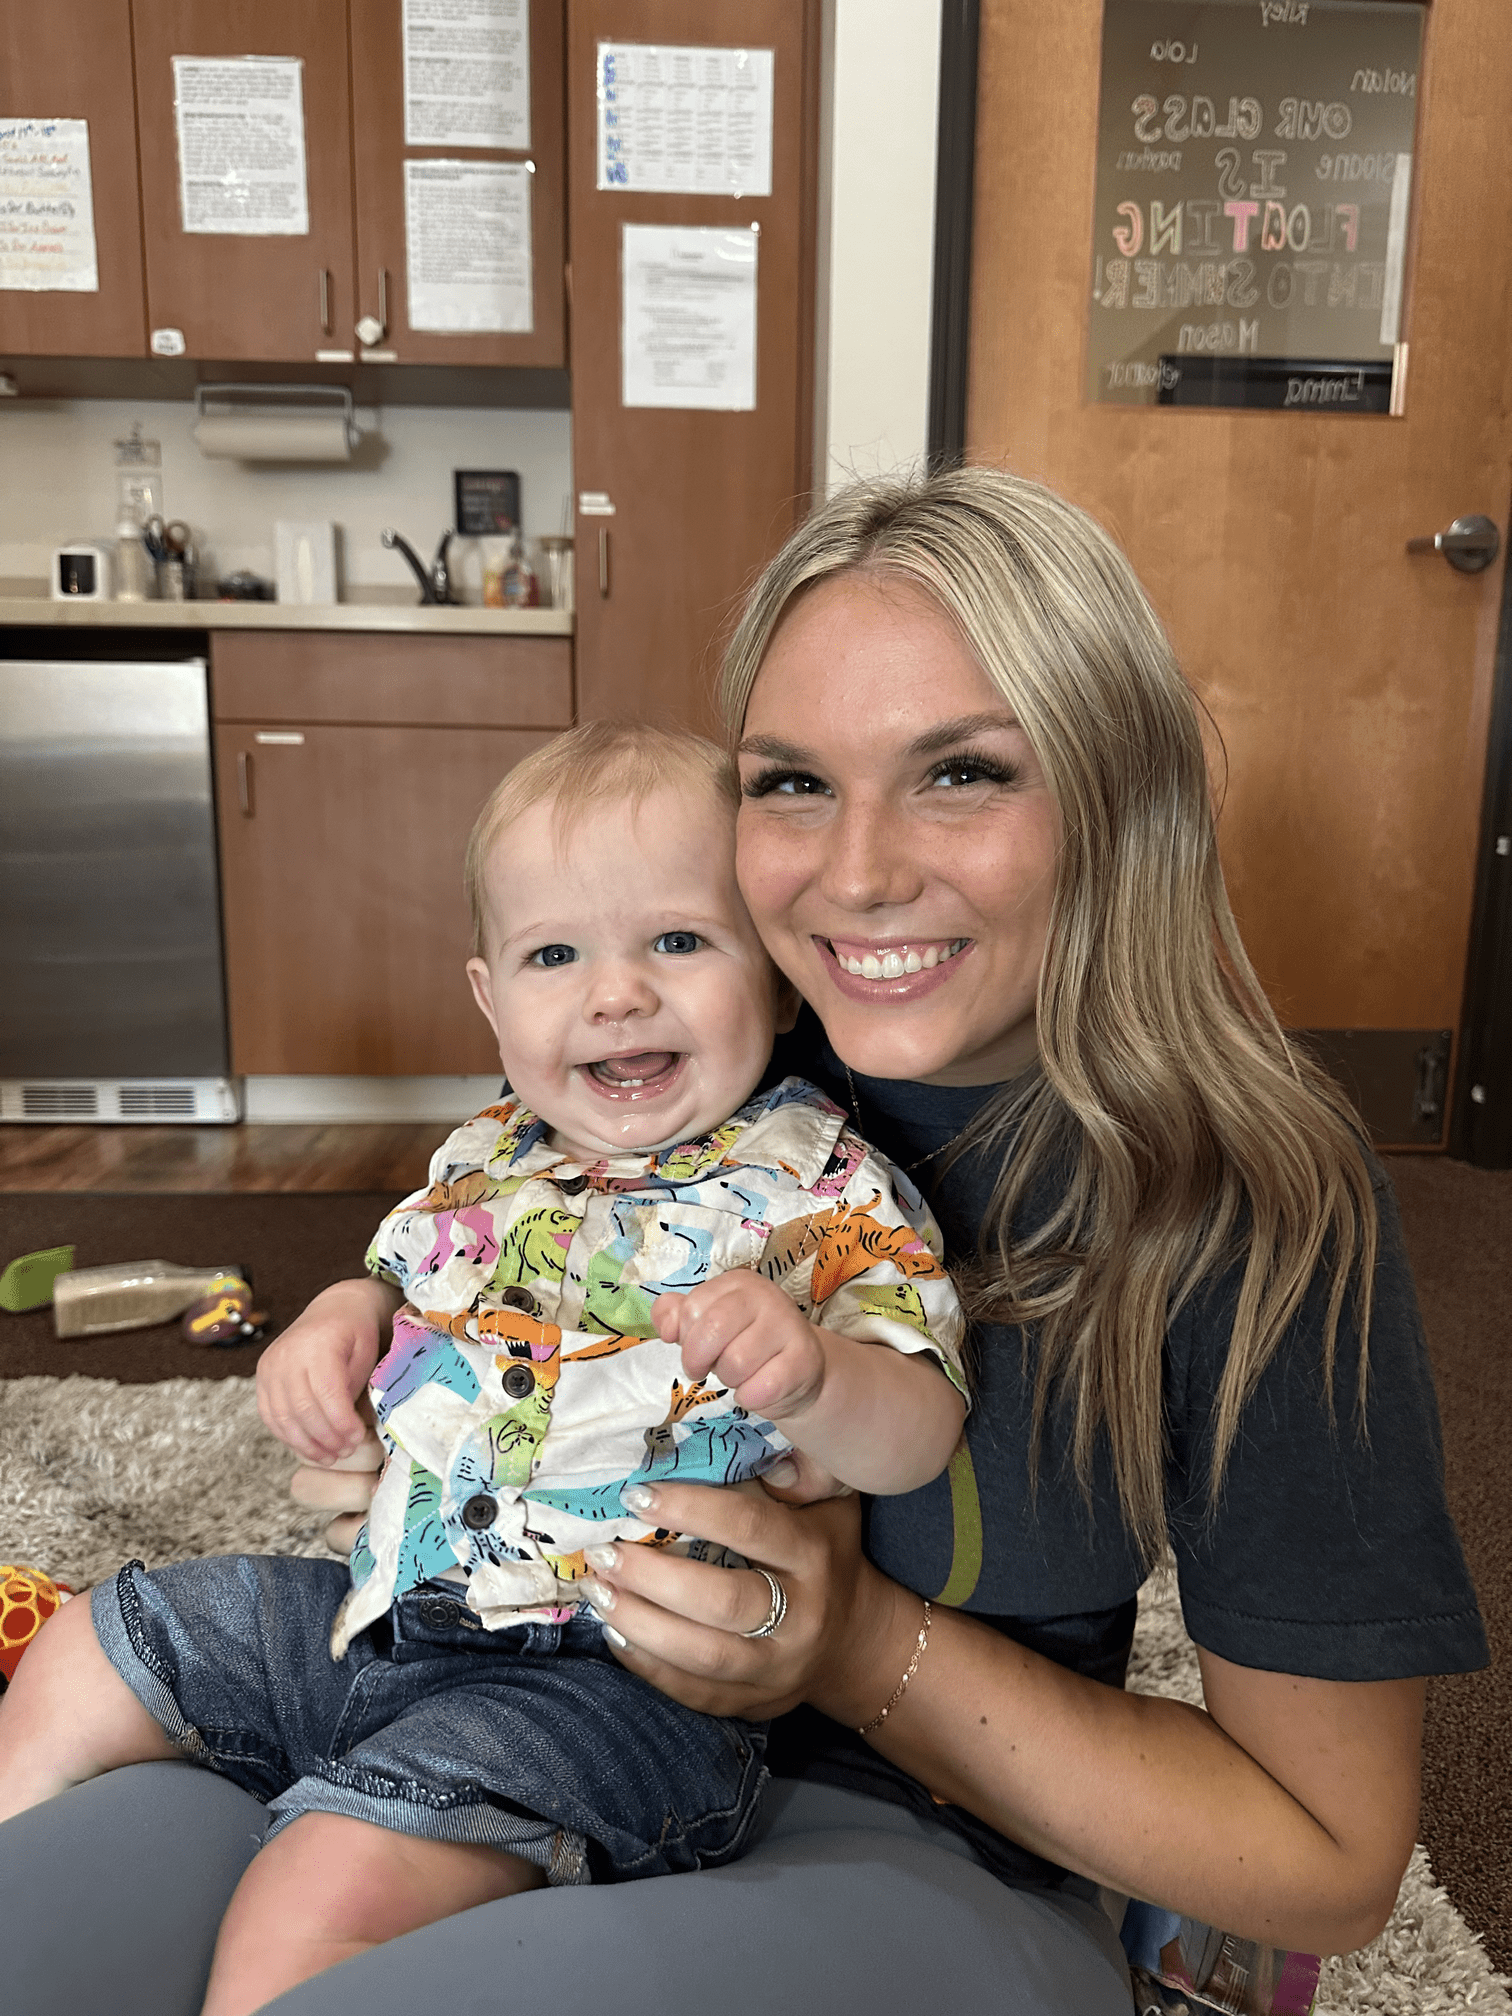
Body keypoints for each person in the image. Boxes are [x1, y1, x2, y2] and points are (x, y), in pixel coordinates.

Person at [0, 468, 1486, 2016]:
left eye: (962, 773)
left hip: (903, 1836)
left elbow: (1329, 1857)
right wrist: (378, 1358)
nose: (854, 876)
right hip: (432, 1697)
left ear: (1122, 793)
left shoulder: (1255, 1198)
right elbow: (462, 1270)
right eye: (788, 783)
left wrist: (849, 1643)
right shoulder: (683, 1037)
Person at [0, 722, 967, 2016]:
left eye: (677, 942)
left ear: (778, 979)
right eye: (555, 956)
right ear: (490, 996)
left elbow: (920, 1431)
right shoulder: (487, 1155)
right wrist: (340, 1321)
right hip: (381, 1620)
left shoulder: (818, 1183)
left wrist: (815, 1380)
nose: (615, 993)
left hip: (612, 1690)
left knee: (311, 1894)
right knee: (87, 1648)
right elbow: (404, 1287)